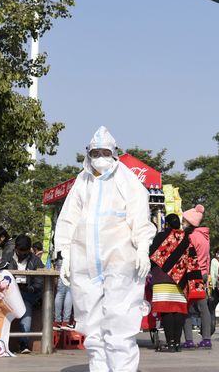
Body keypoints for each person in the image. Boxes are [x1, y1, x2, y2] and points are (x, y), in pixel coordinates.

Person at [53, 126, 155, 372]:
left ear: (114, 153)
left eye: (104, 152)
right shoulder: (83, 181)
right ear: (88, 154)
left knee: (119, 325)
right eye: (95, 152)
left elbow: (140, 216)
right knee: (92, 326)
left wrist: (142, 248)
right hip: (85, 263)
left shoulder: (127, 180)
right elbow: (68, 218)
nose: (100, 157)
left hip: (120, 262)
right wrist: (64, 253)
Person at [149, 213, 202, 352]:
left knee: (166, 311)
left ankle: (170, 343)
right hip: (180, 280)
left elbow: (152, 256)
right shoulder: (186, 238)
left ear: (166, 224)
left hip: (161, 279)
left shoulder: (161, 237)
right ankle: (177, 344)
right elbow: (191, 260)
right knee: (178, 311)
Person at [180, 205, 213, 349]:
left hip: (192, 275)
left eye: (184, 221)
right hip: (203, 275)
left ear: (190, 222)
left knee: (185, 307)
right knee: (203, 308)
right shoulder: (204, 237)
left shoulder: (190, 237)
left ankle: (188, 340)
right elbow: (207, 257)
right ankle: (206, 338)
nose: (182, 224)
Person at [12, 234, 44, 354]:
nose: (23, 255)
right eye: (20, 252)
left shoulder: (36, 261)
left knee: (26, 309)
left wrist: (29, 289)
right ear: (15, 248)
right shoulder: (8, 257)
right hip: (9, 293)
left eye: (25, 252)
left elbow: (40, 281)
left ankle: (23, 343)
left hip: (26, 293)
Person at [53, 252, 74, 331]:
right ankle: (66, 321)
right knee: (70, 290)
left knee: (60, 292)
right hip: (71, 258)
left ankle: (57, 321)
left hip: (60, 259)